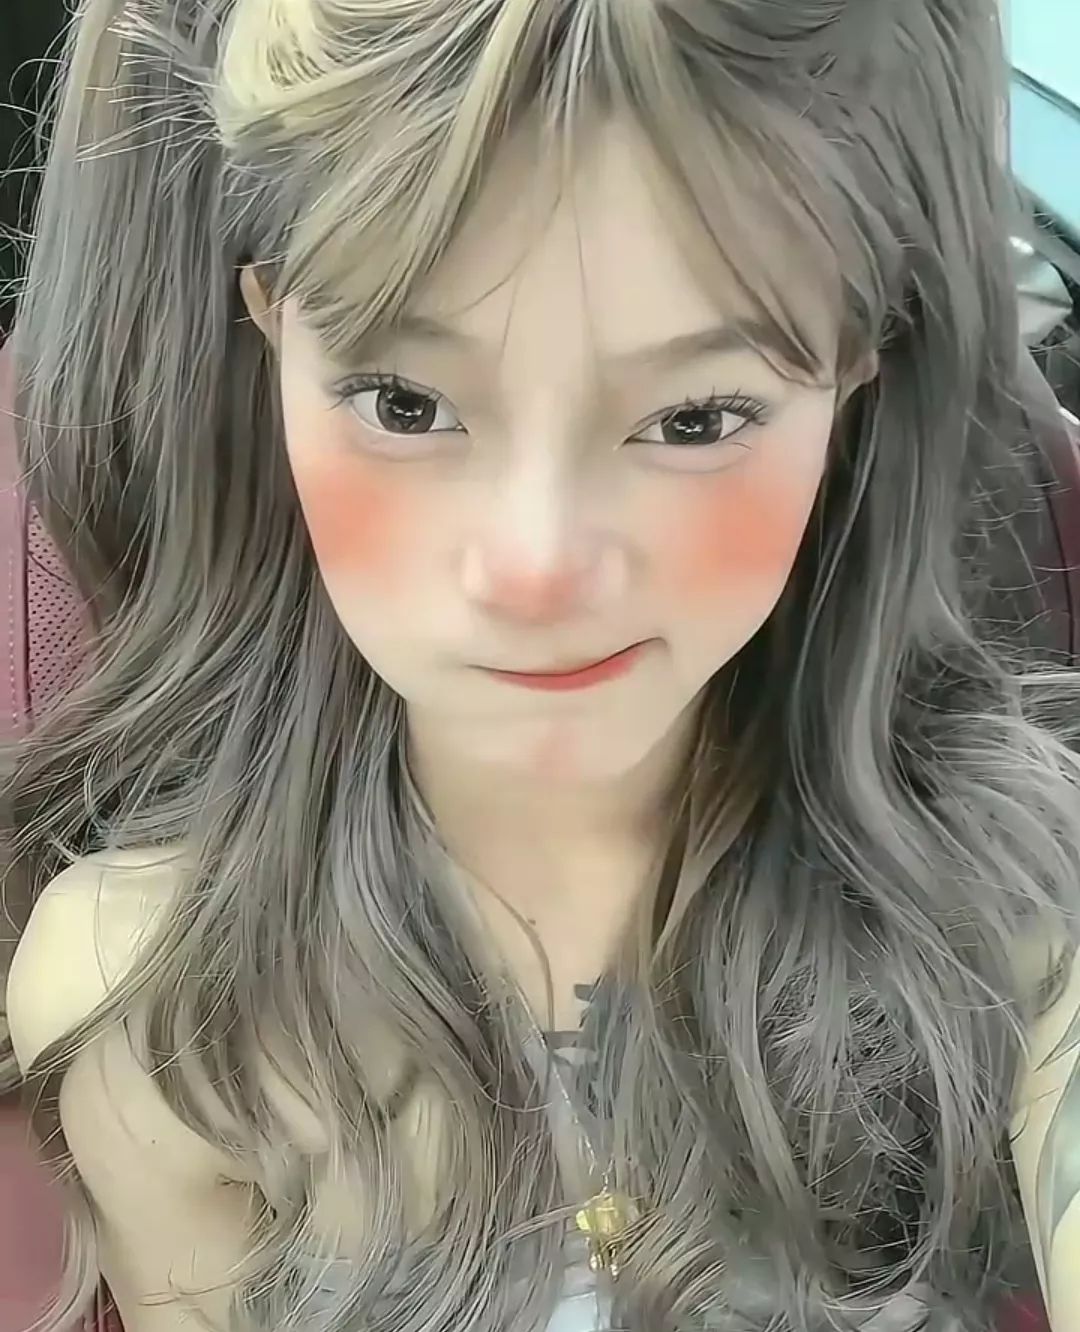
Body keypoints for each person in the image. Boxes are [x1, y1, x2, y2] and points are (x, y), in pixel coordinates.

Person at [4, 0, 1080, 1328]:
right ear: (274, 333)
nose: (537, 568)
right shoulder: (159, 1010)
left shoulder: (1019, 915)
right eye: (406, 403)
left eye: (697, 418)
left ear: (855, 369)